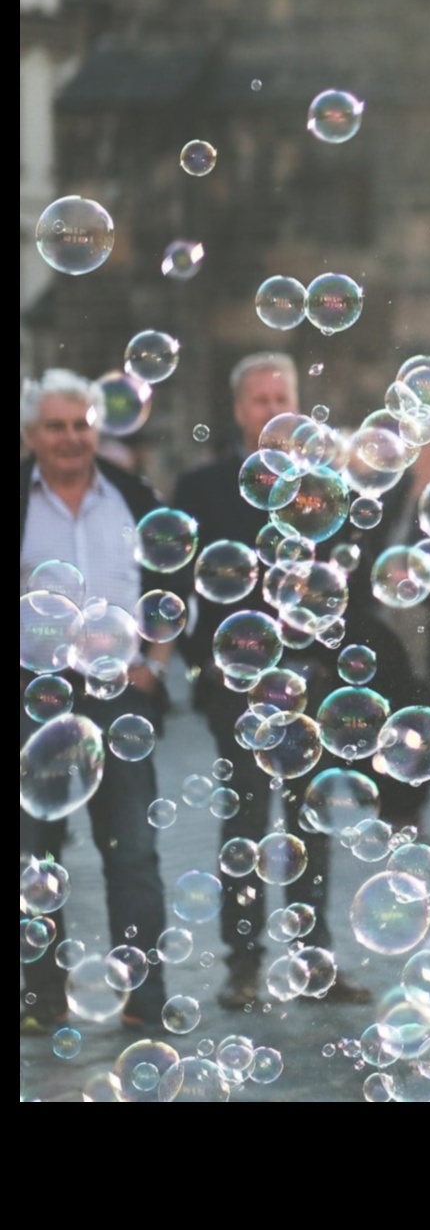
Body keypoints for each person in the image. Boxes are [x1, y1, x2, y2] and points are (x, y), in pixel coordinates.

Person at [172, 352, 400, 1009]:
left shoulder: (325, 488)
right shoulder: (202, 487)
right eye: (260, 400)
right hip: (237, 685)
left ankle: (312, 960)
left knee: (311, 821)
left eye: (282, 399)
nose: (272, 410)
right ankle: (242, 964)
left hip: (311, 680)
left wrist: (328, 661)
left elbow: (353, 583)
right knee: (244, 823)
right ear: (238, 409)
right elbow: (179, 586)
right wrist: (210, 664)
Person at [19, 370, 175, 1030]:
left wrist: (154, 666)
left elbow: (172, 587)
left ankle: (145, 998)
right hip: (32, 694)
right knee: (33, 854)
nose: (70, 437)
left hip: (118, 694)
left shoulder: (133, 496)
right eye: (55, 426)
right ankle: (40, 1000)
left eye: (80, 425)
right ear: (31, 435)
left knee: (133, 848)